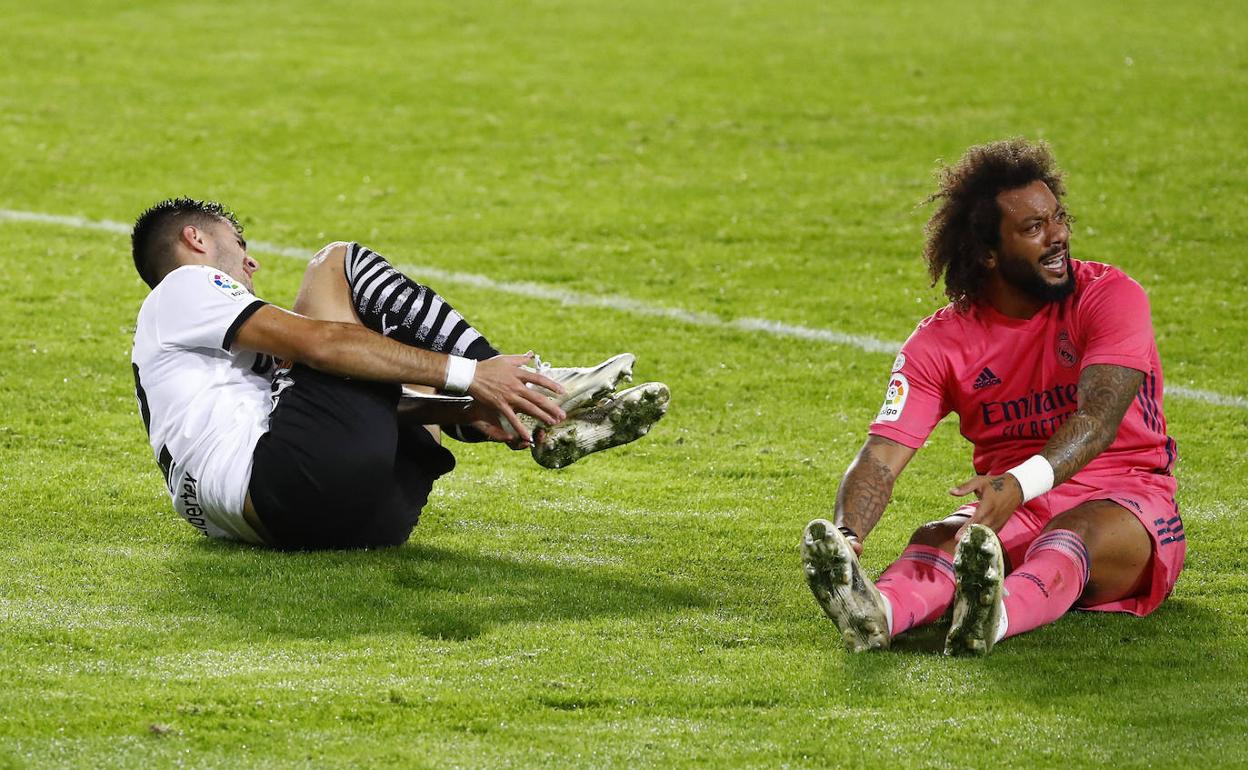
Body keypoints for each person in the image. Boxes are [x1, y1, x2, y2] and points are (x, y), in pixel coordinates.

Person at [800, 139, 1182, 655]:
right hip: (1012, 503)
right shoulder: (940, 343)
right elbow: (882, 456)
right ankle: (876, 611)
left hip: (1125, 502)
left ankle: (994, 616)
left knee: (1072, 532)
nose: (1059, 236)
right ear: (987, 252)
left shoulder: (1108, 296)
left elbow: (1096, 421)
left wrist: (1019, 484)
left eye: (1058, 217)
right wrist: (848, 533)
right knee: (941, 537)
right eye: (1033, 228)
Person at [129, 198, 669, 550]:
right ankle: (535, 380)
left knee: (387, 362)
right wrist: (474, 370)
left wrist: (465, 406)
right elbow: (323, 343)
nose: (252, 265)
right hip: (298, 488)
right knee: (335, 265)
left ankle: (537, 415)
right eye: (240, 245)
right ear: (197, 240)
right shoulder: (184, 286)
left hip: (316, 520)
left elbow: (358, 393)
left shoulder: (200, 356)